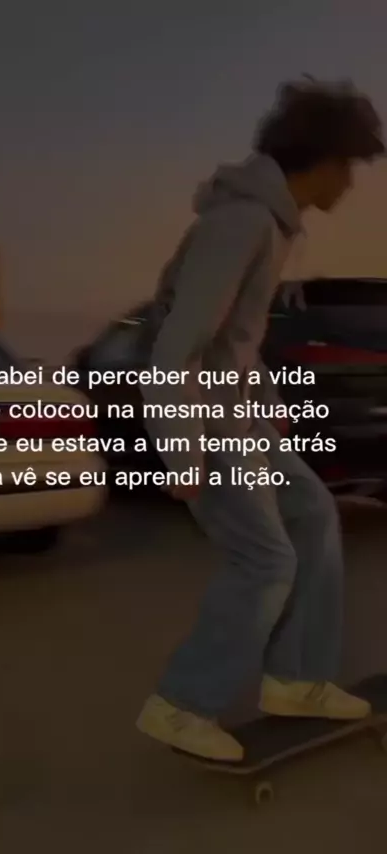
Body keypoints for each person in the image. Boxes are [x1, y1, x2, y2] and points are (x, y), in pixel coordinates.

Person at [136, 78, 385, 762]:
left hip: (238, 417)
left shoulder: (273, 227)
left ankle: (296, 680)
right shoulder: (241, 223)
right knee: (266, 559)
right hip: (204, 420)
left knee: (315, 515)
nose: (351, 184)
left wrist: (269, 411)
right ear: (322, 158)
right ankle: (182, 705)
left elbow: (236, 342)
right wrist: (181, 449)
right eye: (349, 166)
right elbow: (179, 344)